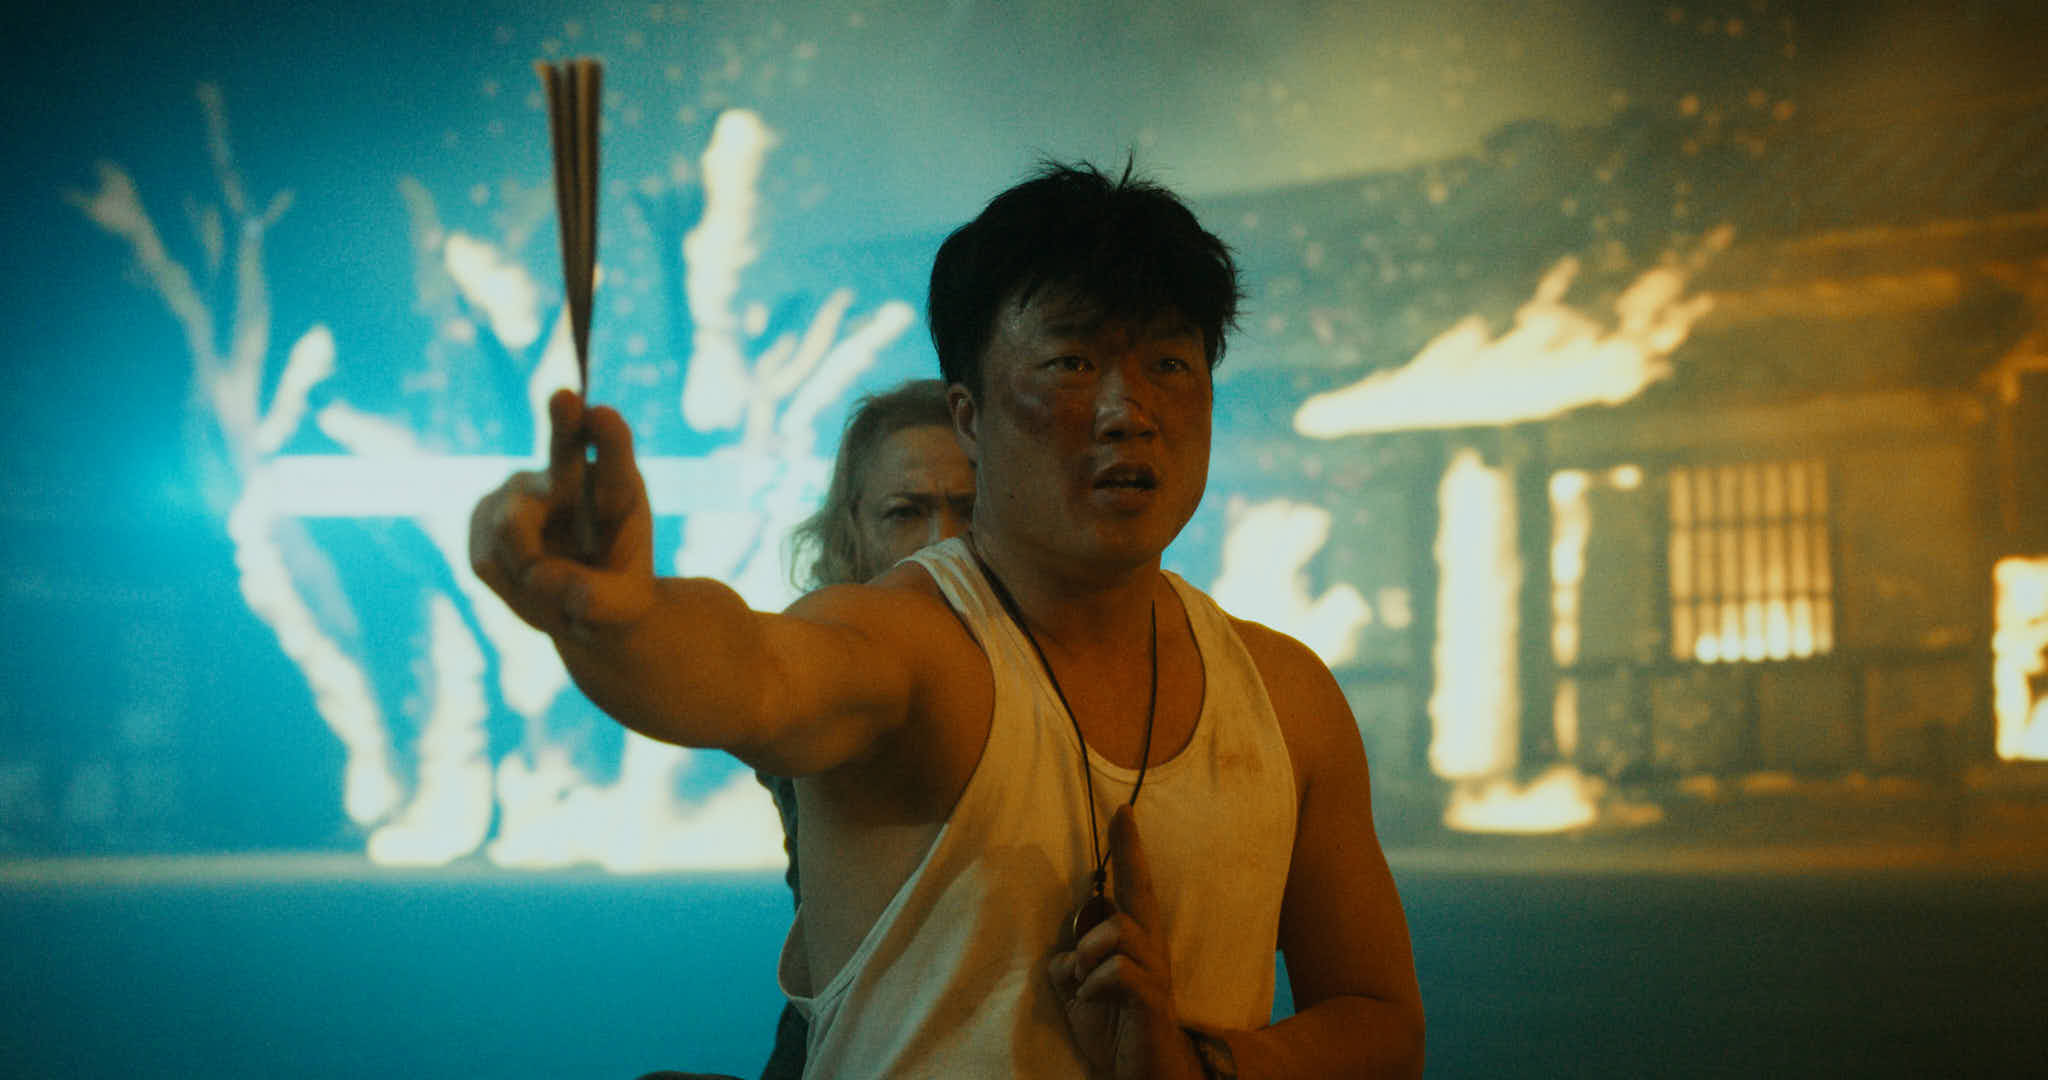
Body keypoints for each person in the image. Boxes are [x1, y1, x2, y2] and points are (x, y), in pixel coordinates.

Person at [473, 161, 1424, 1078]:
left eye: (1170, 363)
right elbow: (751, 673)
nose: (1126, 410)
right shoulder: (913, 648)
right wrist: (620, 615)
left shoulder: (1289, 700)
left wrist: (1198, 1066)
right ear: (969, 417)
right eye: (1071, 362)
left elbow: (1380, 1024)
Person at [759, 377, 971, 1080]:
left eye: (972, 509)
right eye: (905, 513)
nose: (942, 543)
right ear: (853, 528)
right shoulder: (821, 680)